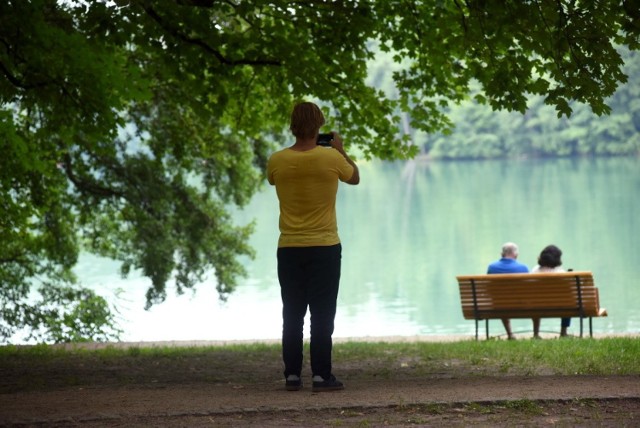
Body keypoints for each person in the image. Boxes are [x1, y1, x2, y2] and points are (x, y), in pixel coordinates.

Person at [266, 101, 360, 392]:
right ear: (319, 126)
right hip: (325, 247)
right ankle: (321, 376)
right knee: (322, 313)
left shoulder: (277, 160)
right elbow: (355, 178)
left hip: (289, 247)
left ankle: (292, 376)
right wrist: (340, 149)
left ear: (293, 126)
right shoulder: (331, 158)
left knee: (292, 313)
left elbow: (272, 181)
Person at [487, 242, 529, 340]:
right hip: (522, 304)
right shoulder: (523, 268)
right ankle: (535, 334)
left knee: (501, 299)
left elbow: (490, 288)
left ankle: (510, 334)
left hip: (499, 304)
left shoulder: (492, 267)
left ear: (501, 254)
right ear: (516, 255)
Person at [531, 244, 571, 337]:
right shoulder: (561, 273)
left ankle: (536, 334)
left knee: (535, 301)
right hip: (559, 306)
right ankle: (563, 332)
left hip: (537, 306)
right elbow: (568, 293)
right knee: (568, 302)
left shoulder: (534, 270)